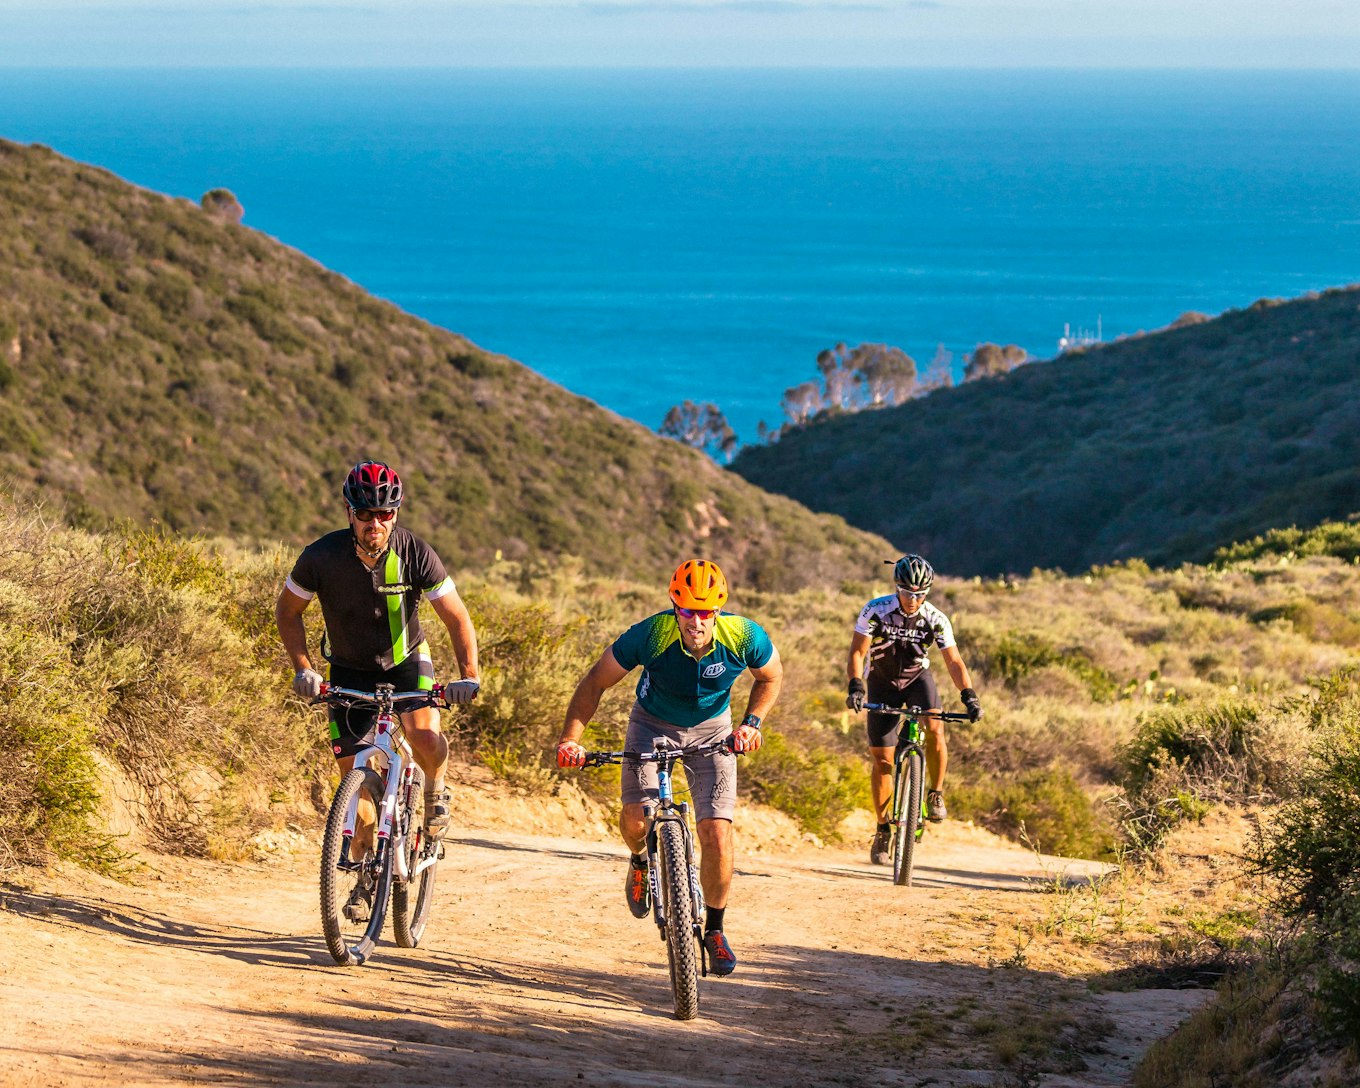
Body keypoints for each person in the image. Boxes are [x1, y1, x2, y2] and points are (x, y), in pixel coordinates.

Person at [555, 559, 781, 977]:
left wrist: (752, 724)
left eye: (706, 612)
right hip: (651, 724)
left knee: (717, 833)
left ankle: (715, 929)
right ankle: (640, 861)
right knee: (636, 820)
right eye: (687, 611)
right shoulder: (651, 634)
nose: (696, 621)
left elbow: (771, 677)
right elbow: (596, 681)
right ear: (675, 607)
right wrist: (570, 739)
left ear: (718, 610)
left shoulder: (745, 635)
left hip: (714, 730)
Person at [276, 460, 481, 866]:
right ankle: (363, 870)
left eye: (385, 514)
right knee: (354, 784)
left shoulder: (415, 553)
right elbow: (287, 612)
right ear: (349, 513)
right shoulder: (321, 557)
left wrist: (469, 677)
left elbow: (457, 617)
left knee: (424, 736)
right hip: (348, 669)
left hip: (406, 661)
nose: (375, 523)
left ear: (396, 514)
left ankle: (435, 788)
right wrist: (303, 668)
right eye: (366, 514)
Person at [845, 554, 981, 866]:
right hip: (881, 682)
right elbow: (857, 652)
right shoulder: (876, 610)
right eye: (907, 592)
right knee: (883, 761)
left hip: (917, 679)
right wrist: (855, 686)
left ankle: (935, 793)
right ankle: (883, 829)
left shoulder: (936, 618)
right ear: (897, 588)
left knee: (935, 727)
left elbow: (953, 660)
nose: (913, 599)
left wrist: (969, 696)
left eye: (921, 594)